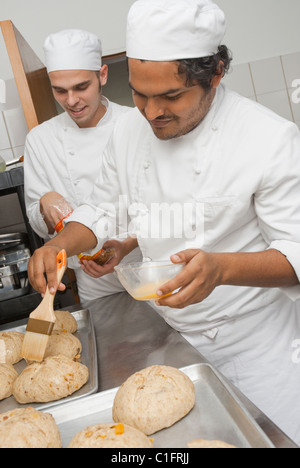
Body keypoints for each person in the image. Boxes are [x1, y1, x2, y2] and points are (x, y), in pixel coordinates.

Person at [27, 0, 300, 443]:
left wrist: (222, 268)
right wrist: (58, 246)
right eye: (138, 93)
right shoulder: (128, 132)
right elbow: (101, 209)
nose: (151, 112)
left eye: (171, 96)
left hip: (259, 347)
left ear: (215, 74)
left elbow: (296, 251)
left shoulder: (268, 139)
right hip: (174, 338)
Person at [24, 29, 141, 302]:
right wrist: (44, 203)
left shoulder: (136, 123)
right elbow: (40, 226)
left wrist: (129, 243)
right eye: (60, 91)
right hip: (92, 280)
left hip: (144, 262)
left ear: (102, 75)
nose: (71, 101)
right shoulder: (40, 140)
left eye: (81, 87)